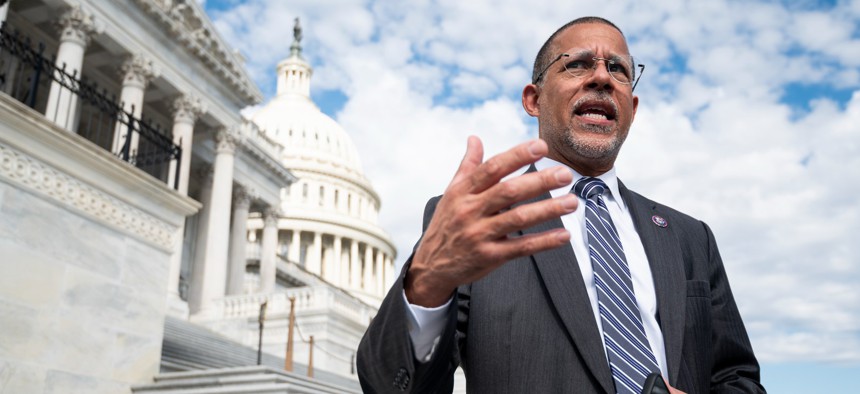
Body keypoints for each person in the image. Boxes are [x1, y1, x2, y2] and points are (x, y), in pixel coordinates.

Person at [357, 16, 764, 394]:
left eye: (619, 69)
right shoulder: (477, 220)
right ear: (533, 99)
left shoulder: (690, 238)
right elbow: (390, 384)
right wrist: (427, 283)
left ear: (632, 109)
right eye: (577, 64)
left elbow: (736, 377)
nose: (602, 76)